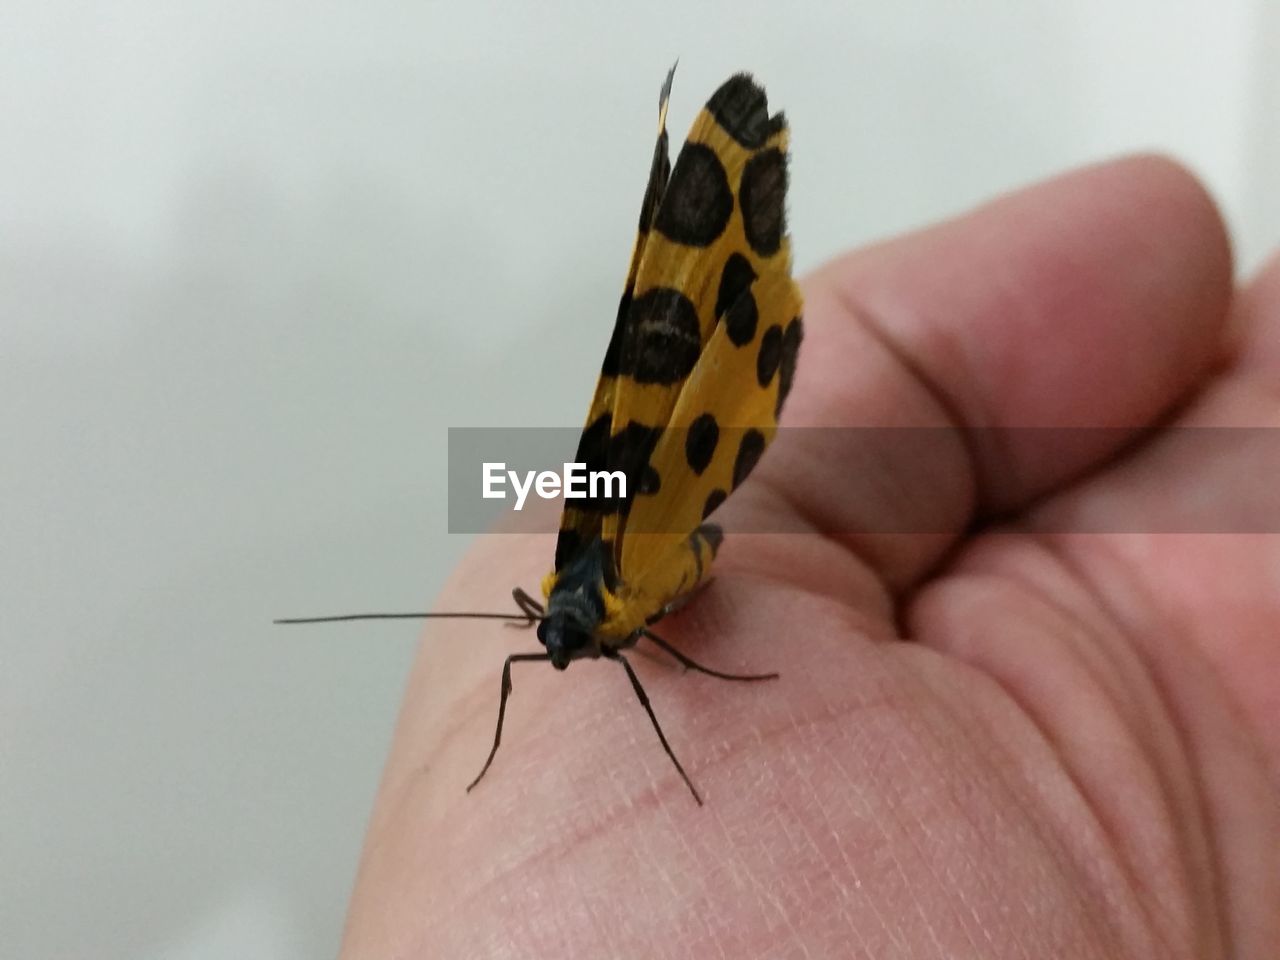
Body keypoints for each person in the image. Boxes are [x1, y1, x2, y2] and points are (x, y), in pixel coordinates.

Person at [340, 155, 1279, 957]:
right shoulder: (563, 597)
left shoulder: (597, 571)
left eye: (558, 633)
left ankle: (710, 200)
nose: (553, 647)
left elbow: (606, 505)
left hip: (672, 540)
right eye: (556, 634)